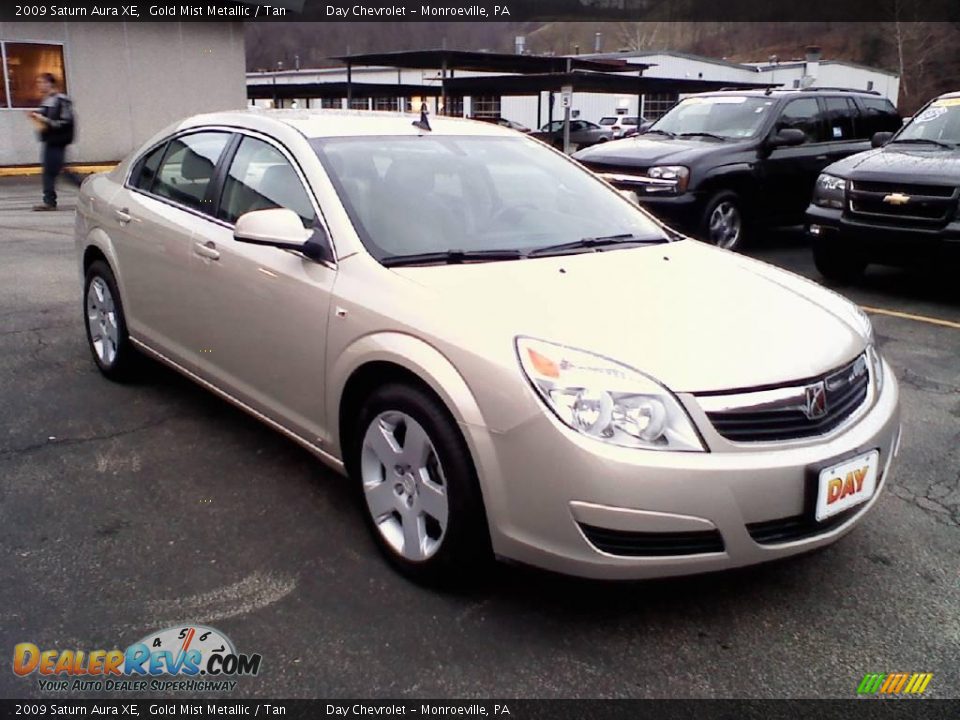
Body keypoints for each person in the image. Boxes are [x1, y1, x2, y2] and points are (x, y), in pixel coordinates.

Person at [27, 73, 80, 211]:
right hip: (50, 140)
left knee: (54, 171)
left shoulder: (61, 100)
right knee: (55, 170)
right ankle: (50, 200)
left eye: (42, 82)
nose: (39, 85)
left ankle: (51, 200)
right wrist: (37, 117)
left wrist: (44, 120)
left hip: (58, 140)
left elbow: (65, 122)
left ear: (50, 83)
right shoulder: (48, 100)